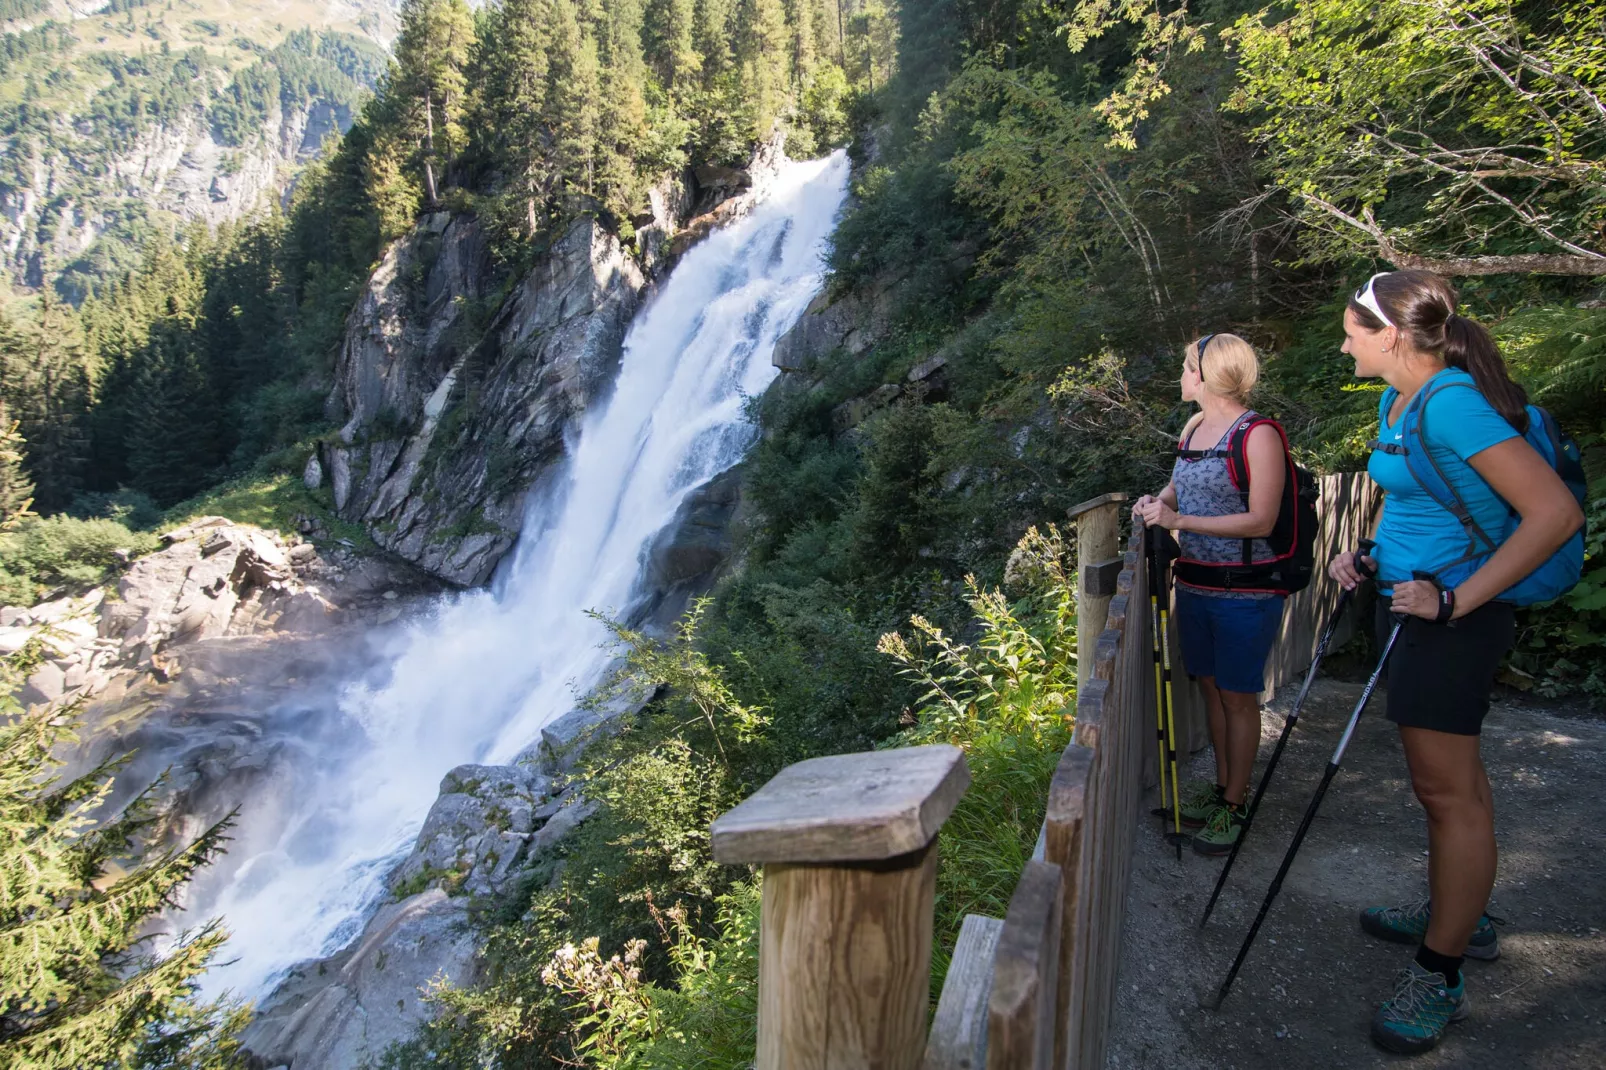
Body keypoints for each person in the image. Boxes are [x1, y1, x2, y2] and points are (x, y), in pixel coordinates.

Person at [1329, 269, 1583, 1055]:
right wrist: (1370, 556)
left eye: (1352, 330)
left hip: (1450, 619)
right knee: (1442, 787)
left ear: (1393, 336)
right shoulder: (1398, 401)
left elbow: (1553, 512)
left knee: (1450, 794)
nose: (1343, 343)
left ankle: (1441, 969)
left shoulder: (1453, 402)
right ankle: (1456, 912)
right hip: (1411, 604)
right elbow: (1425, 501)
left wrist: (1458, 600)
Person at [1132, 333, 1286, 856]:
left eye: (1184, 366)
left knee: (1239, 699)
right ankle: (1223, 789)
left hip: (1246, 594)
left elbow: (1261, 519)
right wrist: (1160, 501)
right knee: (1213, 692)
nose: (1180, 375)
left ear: (1206, 374)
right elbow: (1181, 483)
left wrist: (1179, 520)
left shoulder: (1259, 434)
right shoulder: (1195, 427)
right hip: (1195, 584)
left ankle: (1236, 802)